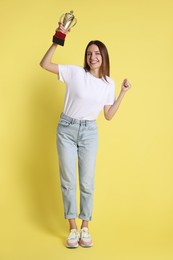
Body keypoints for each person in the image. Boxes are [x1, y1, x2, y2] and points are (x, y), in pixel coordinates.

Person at [40, 22, 131, 248]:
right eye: (89, 53)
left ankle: (85, 228)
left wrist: (122, 93)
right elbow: (44, 64)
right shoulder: (74, 72)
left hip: (90, 132)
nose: (92, 57)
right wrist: (59, 37)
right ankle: (72, 230)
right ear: (86, 57)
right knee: (69, 181)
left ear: (103, 57)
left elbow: (108, 115)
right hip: (67, 129)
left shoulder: (108, 83)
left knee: (87, 182)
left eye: (97, 53)